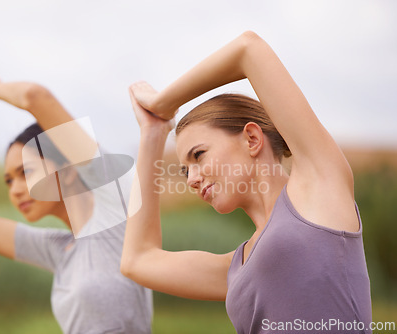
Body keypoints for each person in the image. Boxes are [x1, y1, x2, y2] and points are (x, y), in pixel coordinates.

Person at [121, 31, 371, 333]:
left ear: (252, 139)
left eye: (198, 155)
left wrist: (161, 102)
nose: (192, 179)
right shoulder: (236, 270)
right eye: (185, 171)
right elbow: (138, 260)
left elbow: (248, 49)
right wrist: (152, 132)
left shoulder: (319, 188)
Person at [0, 55, 152, 334]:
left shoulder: (115, 205)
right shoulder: (59, 249)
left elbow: (35, 96)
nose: (14, 190)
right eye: (8, 180)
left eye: (25, 172)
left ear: (67, 168)